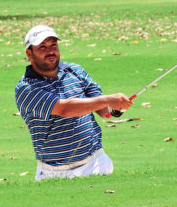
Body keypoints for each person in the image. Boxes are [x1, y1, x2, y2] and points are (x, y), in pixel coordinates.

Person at [15, 25, 133, 181]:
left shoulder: (75, 71)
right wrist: (110, 99)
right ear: (29, 53)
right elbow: (65, 109)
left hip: (95, 163)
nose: (50, 51)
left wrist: (117, 108)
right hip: (54, 173)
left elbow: (104, 111)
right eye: (42, 47)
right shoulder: (26, 88)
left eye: (53, 45)